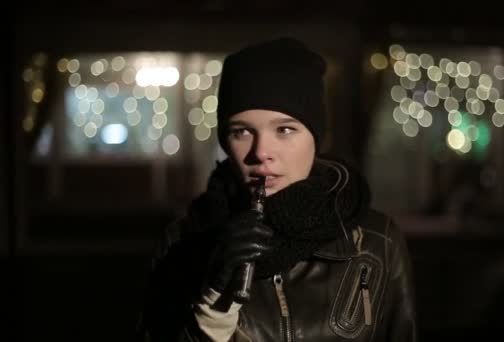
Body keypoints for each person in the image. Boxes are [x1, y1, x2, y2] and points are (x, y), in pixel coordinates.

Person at [137, 37, 417, 342]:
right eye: (241, 131)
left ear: (316, 137)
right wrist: (213, 301)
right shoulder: (183, 243)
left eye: (284, 130)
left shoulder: (377, 243)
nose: (261, 152)